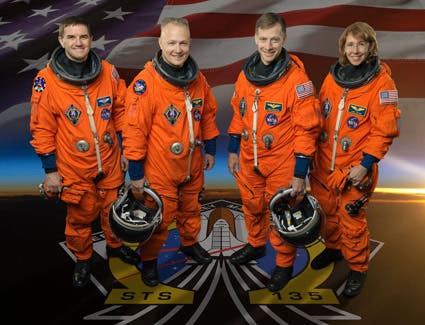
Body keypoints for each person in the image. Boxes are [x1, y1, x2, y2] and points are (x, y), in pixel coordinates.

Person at [29, 16, 140, 288]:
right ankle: (83, 257)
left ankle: (114, 246)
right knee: (80, 217)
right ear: (61, 40)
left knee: (113, 210)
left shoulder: (108, 71)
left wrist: (126, 149)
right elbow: (41, 128)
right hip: (73, 165)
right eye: (71, 37)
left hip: (111, 160)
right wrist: (50, 171)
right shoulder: (46, 81)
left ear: (91, 40)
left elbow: (121, 111)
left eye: (83, 37)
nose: (78, 42)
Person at [122, 17, 220, 287]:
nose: (178, 49)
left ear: (190, 43)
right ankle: (150, 261)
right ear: (160, 43)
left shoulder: (196, 78)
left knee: (191, 209)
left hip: (191, 163)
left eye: (183, 43)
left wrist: (209, 149)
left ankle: (189, 244)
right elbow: (133, 132)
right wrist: (136, 173)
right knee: (159, 219)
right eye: (172, 43)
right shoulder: (146, 84)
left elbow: (207, 114)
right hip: (159, 168)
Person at [227, 12, 321, 292]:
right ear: (255, 38)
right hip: (248, 157)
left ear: (284, 39)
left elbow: (308, 129)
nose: (268, 46)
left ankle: (283, 264)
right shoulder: (246, 73)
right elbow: (238, 113)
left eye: (275, 40)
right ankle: (255, 245)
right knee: (252, 206)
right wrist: (233, 149)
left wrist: (300, 172)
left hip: (282, 160)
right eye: (264, 39)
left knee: (283, 215)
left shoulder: (298, 81)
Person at [309, 21, 401, 297]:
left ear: (371, 46)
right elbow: (320, 118)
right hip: (325, 166)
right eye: (350, 44)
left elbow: (384, 130)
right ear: (343, 48)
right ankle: (334, 249)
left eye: (361, 44)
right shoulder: (333, 78)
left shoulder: (382, 84)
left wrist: (365, 165)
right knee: (328, 216)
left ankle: (358, 269)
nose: (356, 50)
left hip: (355, 169)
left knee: (352, 221)